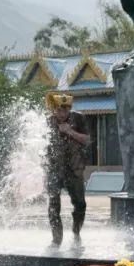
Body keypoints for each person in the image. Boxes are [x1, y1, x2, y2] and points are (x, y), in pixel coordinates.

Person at [44, 93, 90, 246]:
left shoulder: (78, 118)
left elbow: (87, 140)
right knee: (53, 206)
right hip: (54, 169)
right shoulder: (47, 122)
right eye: (59, 110)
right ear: (53, 110)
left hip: (74, 169)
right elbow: (40, 144)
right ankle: (56, 239)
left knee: (80, 204)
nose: (62, 113)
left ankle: (76, 231)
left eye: (66, 110)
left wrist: (69, 131)